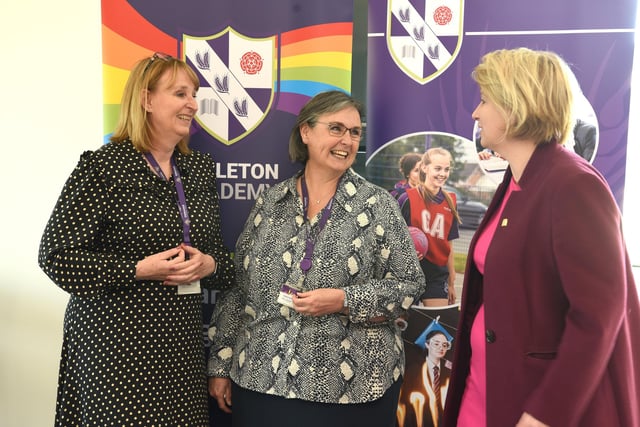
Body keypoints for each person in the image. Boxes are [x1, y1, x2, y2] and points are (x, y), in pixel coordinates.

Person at [443, 48, 640, 427]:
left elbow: (599, 317)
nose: (475, 113)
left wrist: (546, 414)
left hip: (532, 406)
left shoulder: (574, 185)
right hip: (483, 392)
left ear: (515, 107)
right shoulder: (516, 180)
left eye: (485, 101)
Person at [207, 90, 425, 427]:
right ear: (306, 132)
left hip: (351, 393)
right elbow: (239, 289)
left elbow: (410, 286)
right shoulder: (271, 201)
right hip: (261, 381)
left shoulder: (377, 205)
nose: (347, 141)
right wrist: (221, 366)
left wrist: (344, 300)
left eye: (355, 132)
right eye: (336, 128)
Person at [38, 52, 234, 426]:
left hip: (179, 346)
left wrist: (210, 264)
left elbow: (222, 262)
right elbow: (56, 256)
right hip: (115, 347)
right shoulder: (104, 166)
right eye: (180, 94)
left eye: (194, 94)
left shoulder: (198, 169)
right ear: (146, 99)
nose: (193, 104)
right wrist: (136, 269)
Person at [401, 148, 460, 307]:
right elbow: (393, 237)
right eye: (438, 168)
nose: (443, 174)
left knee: (436, 327)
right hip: (408, 272)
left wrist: (451, 283)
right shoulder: (407, 198)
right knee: (405, 327)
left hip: (436, 275)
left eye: (446, 169)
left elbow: (449, 244)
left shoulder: (451, 201)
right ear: (425, 168)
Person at [398, 320, 453, 427]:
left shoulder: (450, 371)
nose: (441, 348)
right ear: (427, 344)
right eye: (436, 343)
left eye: (444, 345)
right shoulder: (413, 371)